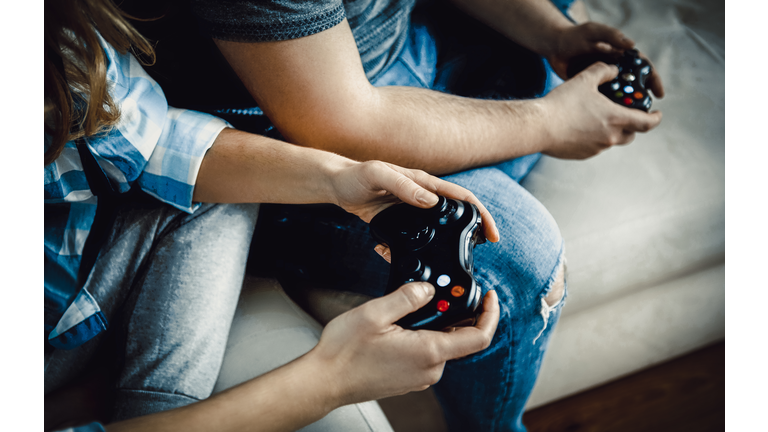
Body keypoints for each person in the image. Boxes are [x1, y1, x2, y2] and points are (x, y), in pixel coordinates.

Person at [116, 0, 665, 430]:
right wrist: (550, 122)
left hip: (402, 48)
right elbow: (338, 123)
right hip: (288, 125)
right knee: (519, 257)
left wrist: (554, 33)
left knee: (558, 56)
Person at [44, 0, 502, 430]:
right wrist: (331, 378)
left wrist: (338, 177)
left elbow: (142, 137)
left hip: (69, 278)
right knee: (518, 264)